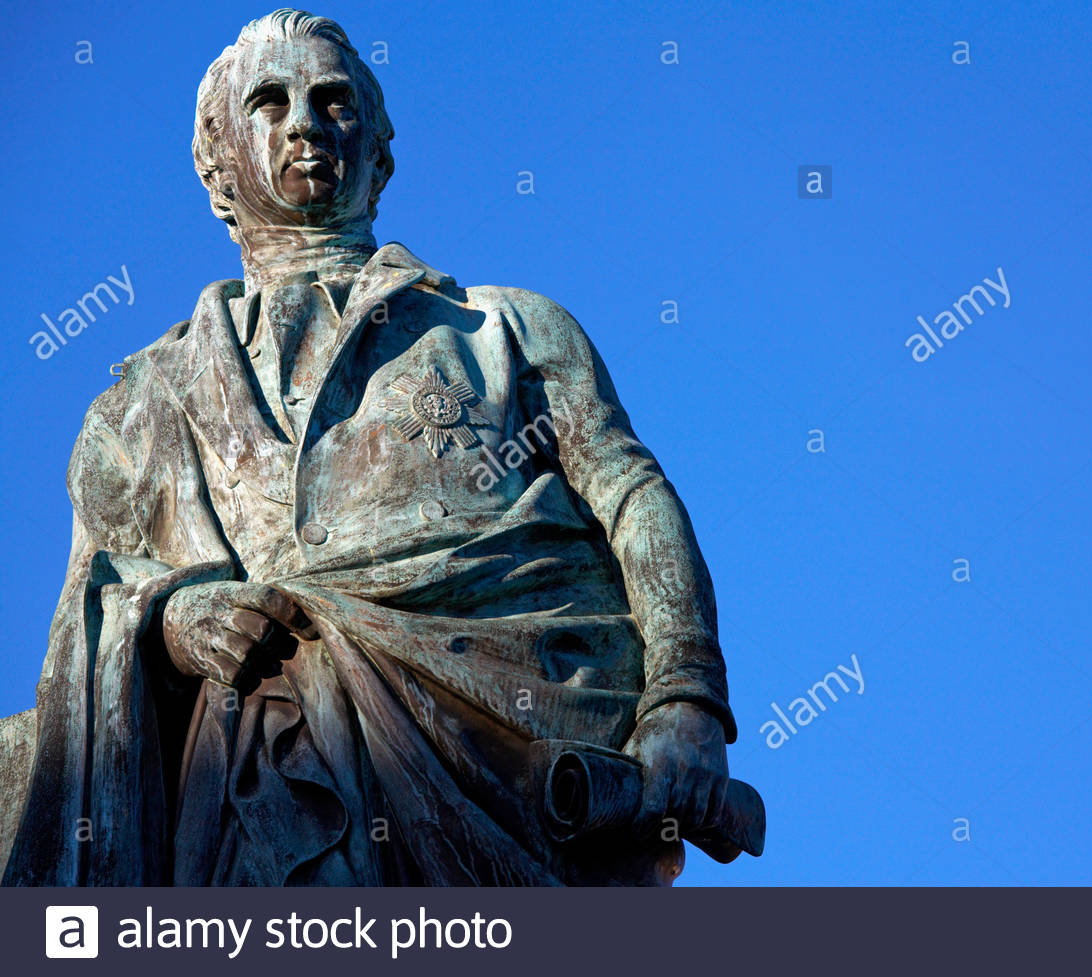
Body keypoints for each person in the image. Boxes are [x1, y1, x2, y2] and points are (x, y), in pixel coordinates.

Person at [3, 8, 746, 886]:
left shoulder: (507, 328)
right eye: (270, 104)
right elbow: (89, 620)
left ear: (381, 152)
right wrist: (168, 624)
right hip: (260, 768)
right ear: (217, 166)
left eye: (334, 101)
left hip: (517, 759)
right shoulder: (141, 403)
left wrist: (686, 697)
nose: (307, 124)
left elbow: (632, 497)